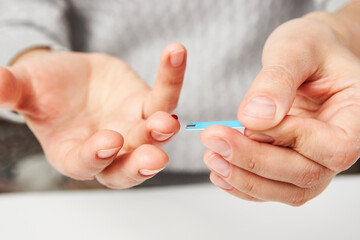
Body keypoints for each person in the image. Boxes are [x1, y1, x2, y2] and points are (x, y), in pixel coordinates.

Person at [0, 0, 359, 206]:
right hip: (120, 147)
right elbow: (15, 12)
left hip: (313, 143)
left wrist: (341, 32)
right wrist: (30, 56)